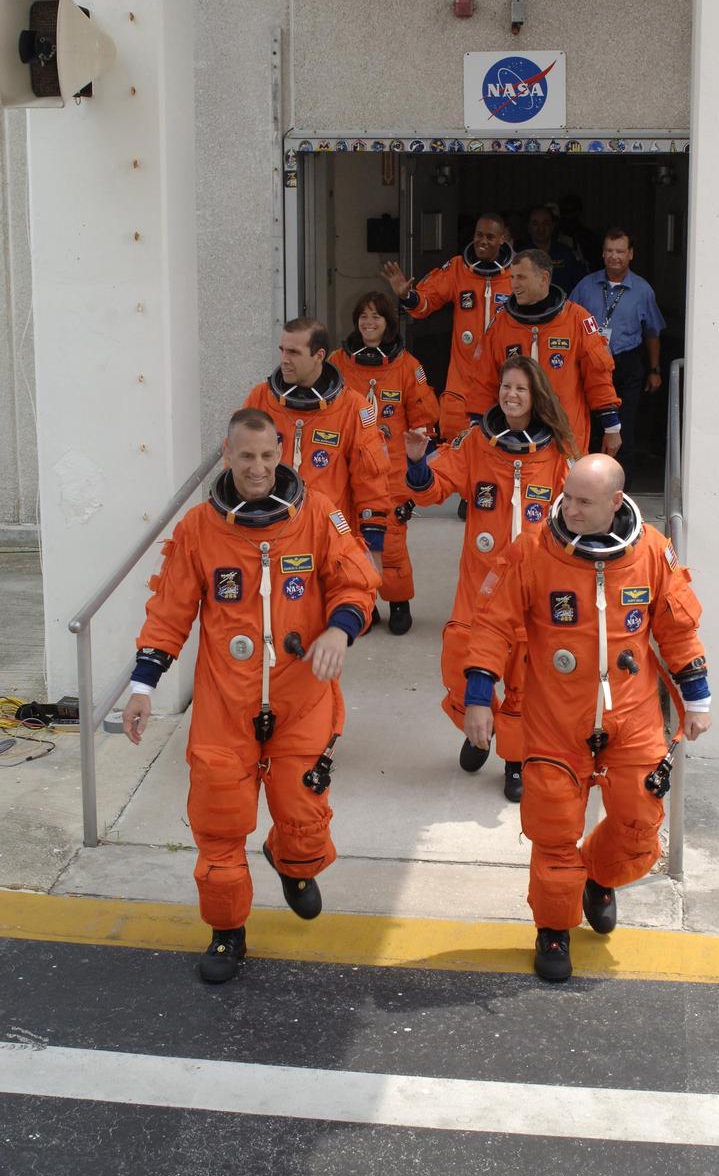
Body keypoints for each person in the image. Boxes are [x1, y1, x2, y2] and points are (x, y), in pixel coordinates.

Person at [121, 409, 379, 983]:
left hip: (302, 698)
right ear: (228, 455)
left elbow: (355, 580)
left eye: (267, 456)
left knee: (305, 820)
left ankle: (292, 862)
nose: (258, 468)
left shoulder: (318, 516)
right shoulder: (198, 529)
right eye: (246, 457)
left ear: (280, 453)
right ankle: (226, 933)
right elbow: (169, 613)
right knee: (218, 823)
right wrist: (143, 686)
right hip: (225, 707)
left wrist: (339, 629)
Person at [463, 454, 711, 982]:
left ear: (616, 503)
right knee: (553, 830)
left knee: (639, 821)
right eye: (567, 497)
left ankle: (599, 877)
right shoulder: (533, 551)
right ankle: (553, 929)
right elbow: (491, 627)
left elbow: (678, 629)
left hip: (633, 716)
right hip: (556, 718)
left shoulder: (651, 552)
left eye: (583, 501)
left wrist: (697, 698)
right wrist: (479, 695)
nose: (569, 508)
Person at [404, 356, 576, 803]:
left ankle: (515, 762)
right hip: (479, 587)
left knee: (522, 681)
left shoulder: (557, 452)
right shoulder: (477, 442)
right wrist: (418, 462)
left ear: (536, 396)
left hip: (532, 590)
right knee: (459, 663)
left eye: (520, 388)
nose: (510, 395)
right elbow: (432, 490)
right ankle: (479, 721)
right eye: (505, 387)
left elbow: (576, 515)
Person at [242, 318, 392, 578]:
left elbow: (371, 483)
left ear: (319, 355)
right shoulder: (261, 399)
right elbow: (238, 469)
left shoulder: (352, 408)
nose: (284, 359)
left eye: (293, 352)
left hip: (328, 539)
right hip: (270, 536)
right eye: (282, 350)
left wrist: (372, 553)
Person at [329, 291, 439, 635]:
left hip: (390, 468)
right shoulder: (337, 362)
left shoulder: (407, 366)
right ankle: (364, 603)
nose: (369, 323)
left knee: (390, 539)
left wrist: (417, 458)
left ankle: (398, 601)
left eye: (376, 317)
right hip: (348, 464)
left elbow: (423, 416)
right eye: (363, 316)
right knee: (352, 537)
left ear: (388, 324)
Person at [470, 248, 622, 458]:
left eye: (521, 277)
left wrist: (611, 426)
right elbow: (484, 380)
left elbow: (598, 375)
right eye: (512, 277)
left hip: (565, 439)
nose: (514, 285)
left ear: (544, 278)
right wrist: (477, 426)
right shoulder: (501, 324)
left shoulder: (576, 320)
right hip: (513, 440)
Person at [381, 213, 513, 442]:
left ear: (503, 239)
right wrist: (406, 295)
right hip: (463, 383)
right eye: (479, 235)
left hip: (505, 380)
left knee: (501, 453)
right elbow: (424, 304)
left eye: (490, 237)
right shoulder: (458, 269)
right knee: (456, 450)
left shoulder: (516, 273)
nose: (482, 241)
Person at [570, 228, 666, 488]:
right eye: (610, 251)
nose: (614, 257)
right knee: (590, 426)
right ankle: (588, 485)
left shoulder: (643, 290)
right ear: (602, 253)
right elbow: (565, 325)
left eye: (620, 251)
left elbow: (652, 332)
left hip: (626, 364)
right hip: (589, 365)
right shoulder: (585, 286)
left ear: (630, 254)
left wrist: (655, 369)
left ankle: (621, 490)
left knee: (623, 427)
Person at [527, 205, 584, 293]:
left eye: (545, 223)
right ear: (529, 227)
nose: (540, 229)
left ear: (553, 226)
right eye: (535, 224)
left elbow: (579, 286)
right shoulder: (520, 254)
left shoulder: (565, 253)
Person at [557, 194, 601, 279]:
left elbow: (596, 265)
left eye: (571, 211)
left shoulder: (588, 238)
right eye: (565, 212)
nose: (568, 216)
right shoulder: (552, 236)